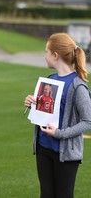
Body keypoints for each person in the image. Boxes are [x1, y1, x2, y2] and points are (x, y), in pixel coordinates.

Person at [24, 32, 91, 198]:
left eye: (46, 52)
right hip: (43, 147)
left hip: (66, 154)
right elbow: (46, 111)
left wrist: (60, 134)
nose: (44, 55)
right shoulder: (50, 79)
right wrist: (33, 104)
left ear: (55, 55)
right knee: (46, 194)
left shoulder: (78, 86)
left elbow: (88, 121)